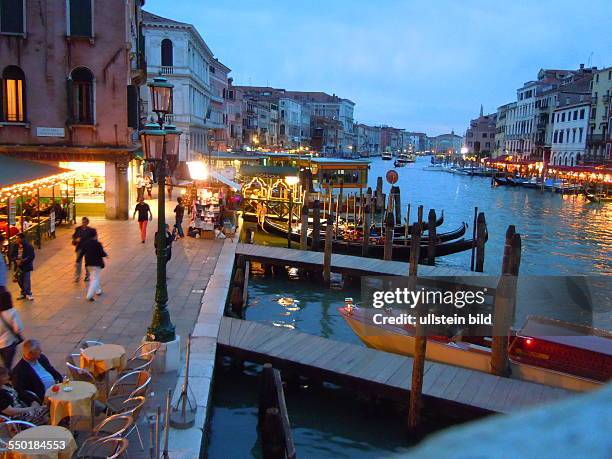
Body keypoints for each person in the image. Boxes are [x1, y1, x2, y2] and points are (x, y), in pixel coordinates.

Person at [12, 339, 62, 403]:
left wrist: (60, 380)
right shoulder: (19, 371)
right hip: (44, 397)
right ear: (30, 354)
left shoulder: (41, 357)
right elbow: (21, 391)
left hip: (56, 388)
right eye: (38, 352)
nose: (40, 353)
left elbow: (51, 369)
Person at [0, 289, 23, 369]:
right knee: (7, 365)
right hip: (9, 343)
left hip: (1, 344)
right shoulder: (13, 312)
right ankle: (7, 377)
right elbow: (18, 328)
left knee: (5, 363)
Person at [82, 235, 108, 302]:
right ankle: (89, 295)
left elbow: (82, 252)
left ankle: (98, 291)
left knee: (93, 277)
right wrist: (106, 255)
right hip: (96, 264)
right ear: (95, 236)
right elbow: (101, 253)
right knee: (95, 279)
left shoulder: (86, 243)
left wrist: (78, 260)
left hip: (88, 264)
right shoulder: (97, 244)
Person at [72, 217, 97, 282]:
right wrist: (76, 240)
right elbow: (74, 237)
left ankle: (87, 276)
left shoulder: (90, 230)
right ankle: (77, 276)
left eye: (85, 222)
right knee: (78, 263)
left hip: (87, 249)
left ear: (87, 223)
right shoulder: (78, 229)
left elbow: (94, 238)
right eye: (83, 222)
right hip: (80, 248)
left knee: (87, 263)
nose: (83, 224)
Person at [12, 234, 35, 301]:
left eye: (17, 238)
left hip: (26, 266)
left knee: (26, 280)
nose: (16, 239)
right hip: (18, 266)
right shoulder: (15, 246)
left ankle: (28, 293)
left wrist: (23, 261)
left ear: (21, 239)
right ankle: (23, 292)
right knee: (20, 280)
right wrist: (15, 260)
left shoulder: (28, 246)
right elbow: (12, 254)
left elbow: (31, 256)